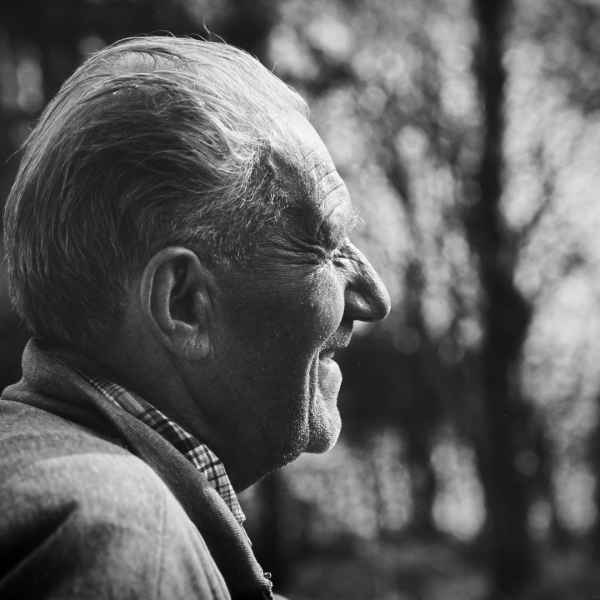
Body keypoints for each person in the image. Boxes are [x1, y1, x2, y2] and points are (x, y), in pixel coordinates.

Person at [0, 36, 390, 599]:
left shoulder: (61, 493)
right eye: (326, 248)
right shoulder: (125, 540)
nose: (375, 297)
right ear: (183, 304)